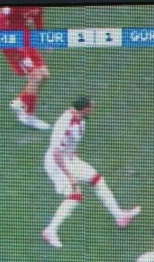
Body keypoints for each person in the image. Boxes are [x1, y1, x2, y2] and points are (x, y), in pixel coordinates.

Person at [41, 97, 140, 248]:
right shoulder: (65, 123)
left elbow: (71, 145)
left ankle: (119, 216)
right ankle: (50, 231)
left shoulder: (81, 121)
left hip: (69, 159)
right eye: (90, 108)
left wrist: (75, 160)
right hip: (56, 165)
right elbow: (56, 153)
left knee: (96, 179)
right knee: (75, 195)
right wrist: (70, 177)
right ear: (84, 109)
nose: (92, 110)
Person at [0, 6, 50, 130]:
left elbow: (38, 21)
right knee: (35, 77)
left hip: (26, 40)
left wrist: (45, 40)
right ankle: (28, 116)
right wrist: (10, 38)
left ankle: (21, 100)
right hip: (13, 44)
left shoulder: (40, 4)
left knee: (44, 74)